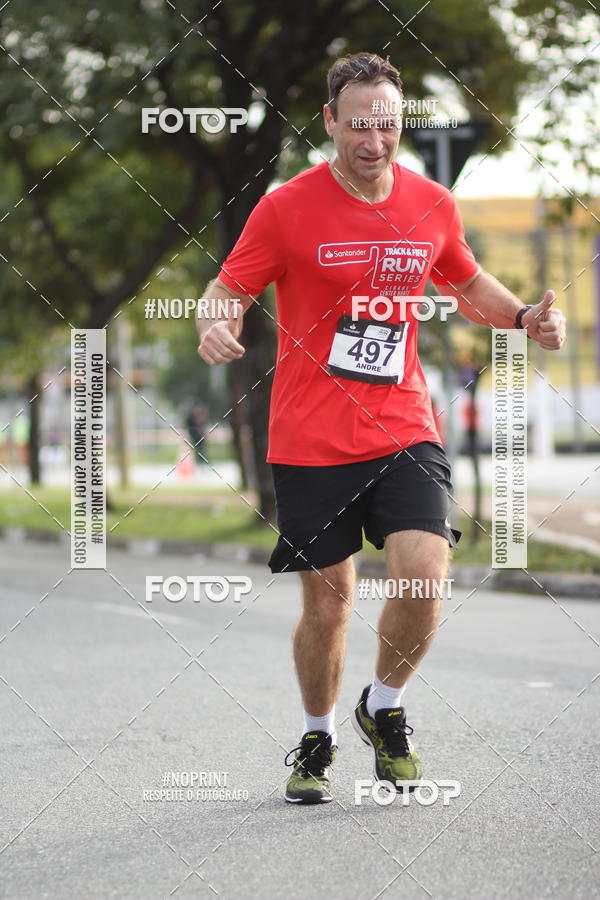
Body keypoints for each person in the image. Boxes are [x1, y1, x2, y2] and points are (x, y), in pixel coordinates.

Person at [196, 53, 566, 805]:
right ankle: (318, 733)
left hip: (403, 423)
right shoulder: (286, 208)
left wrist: (524, 316)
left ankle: (384, 707)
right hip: (308, 437)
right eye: (359, 123)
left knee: (426, 571)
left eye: (388, 124)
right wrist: (215, 321)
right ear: (331, 122)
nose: (375, 139)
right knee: (328, 604)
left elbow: (465, 283)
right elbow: (227, 285)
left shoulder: (432, 203)